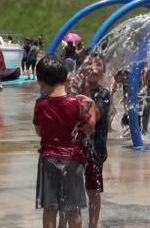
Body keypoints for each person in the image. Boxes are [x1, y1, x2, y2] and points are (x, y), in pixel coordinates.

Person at [33, 56, 97, 228]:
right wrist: (91, 107)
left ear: (42, 82)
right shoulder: (76, 103)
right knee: (73, 209)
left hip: (48, 158)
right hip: (73, 159)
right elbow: (89, 127)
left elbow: (39, 131)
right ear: (65, 77)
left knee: (49, 208)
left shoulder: (41, 104)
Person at [61, 53, 111, 228]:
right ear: (81, 69)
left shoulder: (104, 94)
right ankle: (67, 223)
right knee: (70, 189)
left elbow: (94, 117)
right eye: (89, 64)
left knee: (93, 190)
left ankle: (92, 225)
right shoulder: (71, 92)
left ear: (104, 71)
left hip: (95, 149)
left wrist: (86, 92)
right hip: (73, 148)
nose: (93, 68)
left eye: (98, 65)